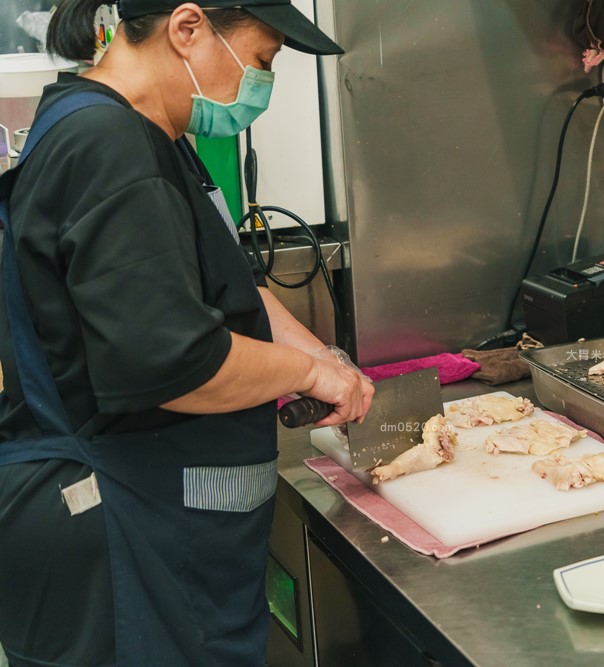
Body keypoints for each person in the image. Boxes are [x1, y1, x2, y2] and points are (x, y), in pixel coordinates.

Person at [0, 1, 374, 665]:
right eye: (260, 62)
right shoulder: (109, 147)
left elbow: (229, 292)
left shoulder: (146, 135)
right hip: (118, 543)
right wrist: (309, 374)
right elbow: (174, 362)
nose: (258, 86)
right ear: (188, 28)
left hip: (157, 540)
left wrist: (324, 354)